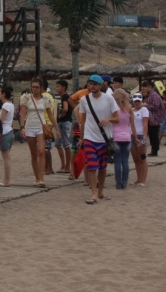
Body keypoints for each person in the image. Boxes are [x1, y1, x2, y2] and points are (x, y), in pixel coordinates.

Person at [79, 74, 119, 204]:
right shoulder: (84, 99)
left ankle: (100, 191)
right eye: (90, 84)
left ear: (100, 85)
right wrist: (81, 137)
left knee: (102, 167)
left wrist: (108, 119)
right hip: (90, 137)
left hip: (105, 138)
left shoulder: (109, 99)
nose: (92, 86)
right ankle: (94, 193)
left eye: (95, 84)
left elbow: (117, 118)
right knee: (91, 166)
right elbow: (83, 120)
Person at [19, 77, 59, 188]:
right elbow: (23, 114)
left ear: (41, 88)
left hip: (41, 127)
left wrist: (56, 128)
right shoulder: (26, 98)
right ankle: (37, 177)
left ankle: (41, 178)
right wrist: (22, 127)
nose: (35, 89)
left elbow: (50, 114)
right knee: (34, 154)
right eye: (33, 87)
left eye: (37, 87)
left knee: (42, 152)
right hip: (30, 127)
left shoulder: (45, 99)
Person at [111, 89, 137, 190]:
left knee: (117, 161)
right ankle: (124, 182)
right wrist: (135, 136)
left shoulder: (113, 109)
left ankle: (118, 183)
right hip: (127, 136)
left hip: (116, 136)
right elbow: (132, 125)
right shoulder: (129, 108)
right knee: (125, 161)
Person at [0, 86, 15, 187]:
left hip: (5, 132)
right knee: (7, 157)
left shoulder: (6, 105)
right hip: (9, 131)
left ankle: (6, 180)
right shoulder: (11, 104)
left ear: (3, 94)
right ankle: (6, 179)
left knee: (6, 158)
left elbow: (0, 120)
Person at [131, 93, 150, 186]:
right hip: (132, 135)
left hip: (141, 135)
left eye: (138, 101)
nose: (137, 103)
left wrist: (145, 136)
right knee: (136, 159)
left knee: (142, 158)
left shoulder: (144, 110)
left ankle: (143, 180)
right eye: (135, 101)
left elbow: (145, 123)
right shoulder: (131, 110)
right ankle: (138, 178)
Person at [54, 80, 72, 174]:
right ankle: (64, 165)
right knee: (58, 144)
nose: (56, 88)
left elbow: (65, 108)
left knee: (65, 144)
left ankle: (67, 166)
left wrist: (61, 115)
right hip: (63, 123)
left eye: (58, 87)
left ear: (63, 87)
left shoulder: (65, 97)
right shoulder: (64, 97)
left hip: (64, 122)